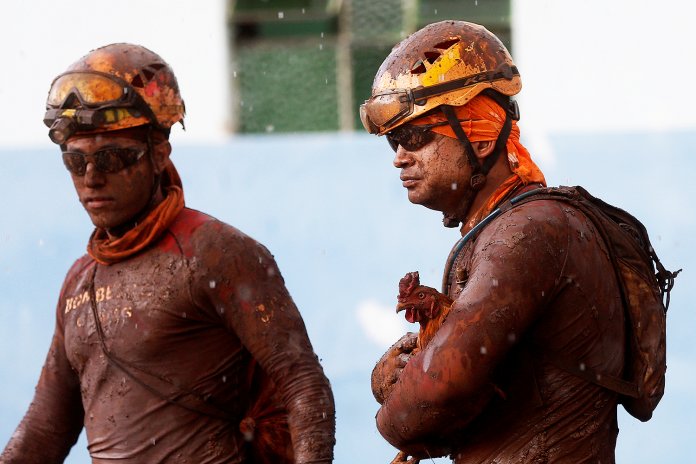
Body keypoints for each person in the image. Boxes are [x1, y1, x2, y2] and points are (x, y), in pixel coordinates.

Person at [1, 43, 335, 464]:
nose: (91, 178)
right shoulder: (79, 280)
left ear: (158, 154)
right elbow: (44, 430)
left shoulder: (215, 252)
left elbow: (303, 382)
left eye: (112, 158)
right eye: (74, 161)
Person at [361, 21, 666, 463]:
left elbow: (439, 391)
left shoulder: (530, 230)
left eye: (415, 137)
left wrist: (391, 408)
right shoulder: (512, 226)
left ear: (481, 138)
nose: (399, 158)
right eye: (394, 141)